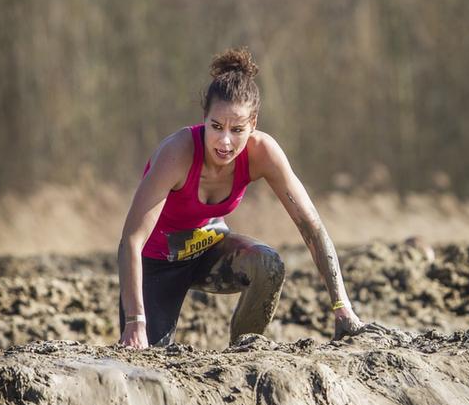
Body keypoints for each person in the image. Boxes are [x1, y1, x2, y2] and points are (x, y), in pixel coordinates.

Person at [118, 47, 366, 349]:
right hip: (157, 264)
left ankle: (243, 353)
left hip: (208, 248)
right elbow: (131, 240)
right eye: (216, 127)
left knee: (268, 264)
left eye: (237, 130)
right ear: (203, 118)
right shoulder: (177, 154)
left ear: (253, 124)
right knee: (147, 359)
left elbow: (311, 226)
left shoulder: (263, 153)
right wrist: (135, 322)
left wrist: (342, 305)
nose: (225, 142)